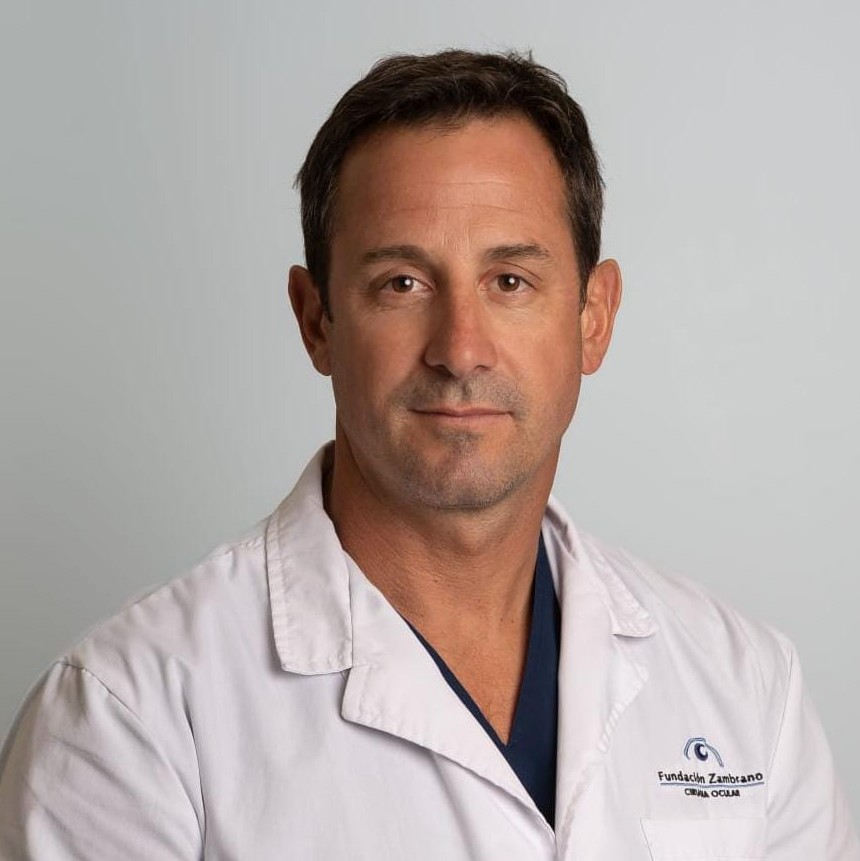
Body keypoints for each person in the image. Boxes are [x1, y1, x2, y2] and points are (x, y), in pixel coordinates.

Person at [0, 49, 857, 860]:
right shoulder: (128, 717)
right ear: (316, 320)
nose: (460, 349)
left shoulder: (747, 687)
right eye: (401, 283)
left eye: (510, 281)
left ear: (594, 317)